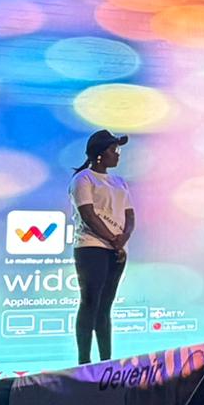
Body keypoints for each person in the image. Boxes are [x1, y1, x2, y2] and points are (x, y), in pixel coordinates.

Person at [71, 128, 136, 364]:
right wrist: (112, 238)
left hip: (116, 250)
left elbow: (130, 215)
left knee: (105, 306)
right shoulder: (83, 179)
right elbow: (88, 214)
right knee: (90, 301)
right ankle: (84, 361)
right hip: (91, 247)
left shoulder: (119, 182)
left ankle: (106, 361)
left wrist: (123, 239)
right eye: (113, 149)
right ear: (99, 153)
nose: (117, 154)